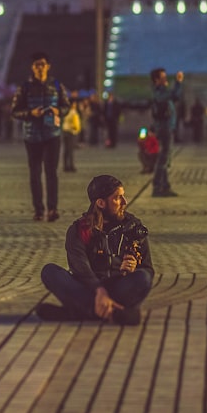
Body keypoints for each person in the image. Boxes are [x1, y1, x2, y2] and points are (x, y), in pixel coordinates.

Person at [37, 175, 154, 325]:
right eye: (117, 198)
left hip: (119, 287)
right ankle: (111, 313)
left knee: (142, 277)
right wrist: (99, 290)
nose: (125, 202)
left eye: (123, 196)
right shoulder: (79, 229)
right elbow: (80, 268)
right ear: (100, 203)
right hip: (89, 288)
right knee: (50, 271)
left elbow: (148, 269)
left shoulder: (133, 227)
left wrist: (133, 268)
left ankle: (80, 312)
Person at [11, 51, 71, 221]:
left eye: (43, 65)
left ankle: (52, 209)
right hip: (32, 135)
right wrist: (31, 113)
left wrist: (58, 110)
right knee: (35, 173)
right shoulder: (24, 87)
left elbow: (66, 106)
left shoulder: (57, 85)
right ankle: (38, 209)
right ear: (32, 67)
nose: (40, 68)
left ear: (48, 66)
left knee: (52, 172)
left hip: (52, 134)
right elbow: (14, 111)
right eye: (37, 65)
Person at [149, 67, 183, 197]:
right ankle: (157, 187)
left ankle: (165, 186)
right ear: (157, 80)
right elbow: (172, 95)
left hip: (167, 127)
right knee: (163, 158)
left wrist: (177, 84)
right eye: (163, 77)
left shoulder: (162, 91)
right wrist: (177, 83)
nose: (165, 79)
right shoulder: (158, 92)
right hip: (164, 128)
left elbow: (175, 96)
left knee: (165, 158)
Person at [61, 96, 81, 173]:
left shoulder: (70, 111)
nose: (75, 105)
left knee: (68, 150)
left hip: (70, 131)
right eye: (74, 104)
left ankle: (67, 165)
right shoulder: (70, 112)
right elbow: (70, 121)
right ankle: (69, 166)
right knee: (69, 150)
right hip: (69, 131)